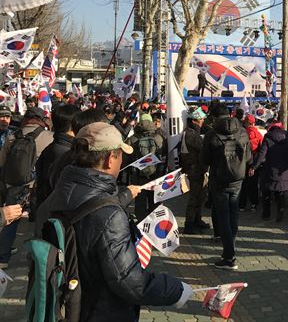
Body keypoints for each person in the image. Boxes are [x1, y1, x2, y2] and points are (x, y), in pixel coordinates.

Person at [36, 122, 191, 320]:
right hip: (101, 311)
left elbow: (88, 211)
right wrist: (176, 290)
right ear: (110, 159)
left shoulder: (55, 196)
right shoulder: (110, 215)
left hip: (63, 307)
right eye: (120, 155)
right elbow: (131, 283)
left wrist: (125, 195)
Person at [0, 107, 54, 268]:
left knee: (11, 219)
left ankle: (3, 257)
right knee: (40, 220)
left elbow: (1, 161)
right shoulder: (49, 137)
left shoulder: (13, 136)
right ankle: (39, 257)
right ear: (41, 120)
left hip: (15, 184)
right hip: (38, 185)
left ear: (26, 118)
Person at [201, 103, 251, 269]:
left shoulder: (211, 134)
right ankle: (231, 248)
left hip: (219, 180)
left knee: (223, 217)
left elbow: (205, 160)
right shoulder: (242, 131)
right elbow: (249, 157)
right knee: (233, 214)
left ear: (214, 117)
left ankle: (229, 256)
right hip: (238, 179)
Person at [33, 104, 81, 211]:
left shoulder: (53, 147)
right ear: (74, 125)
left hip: (46, 208)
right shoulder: (68, 153)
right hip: (58, 212)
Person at [126, 113, 166, 221]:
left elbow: (126, 160)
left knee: (140, 203)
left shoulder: (132, 139)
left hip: (138, 176)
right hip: (156, 175)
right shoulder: (159, 138)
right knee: (155, 200)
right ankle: (155, 224)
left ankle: (142, 225)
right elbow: (164, 156)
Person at [252, 119, 288, 222]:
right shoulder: (287, 137)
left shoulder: (268, 136)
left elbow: (262, 154)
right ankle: (280, 213)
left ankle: (266, 214)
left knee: (266, 192)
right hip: (283, 169)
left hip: (270, 168)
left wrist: (254, 167)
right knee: (281, 193)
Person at [181, 107, 210, 234]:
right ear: (194, 121)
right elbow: (203, 148)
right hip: (195, 169)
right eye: (201, 119)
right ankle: (189, 224)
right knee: (194, 198)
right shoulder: (191, 134)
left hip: (199, 169)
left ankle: (197, 220)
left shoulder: (193, 132)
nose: (203, 120)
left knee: (201, 196)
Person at [239, 114, 263, 212]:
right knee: (253, 184)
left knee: (243, 183)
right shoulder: (258, 134)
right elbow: (262, 149)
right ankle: (254, 204)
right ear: (253, 123)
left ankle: (242, 205)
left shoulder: (241, 133)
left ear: (245, 122)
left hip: (243, 161)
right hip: (254, 161)